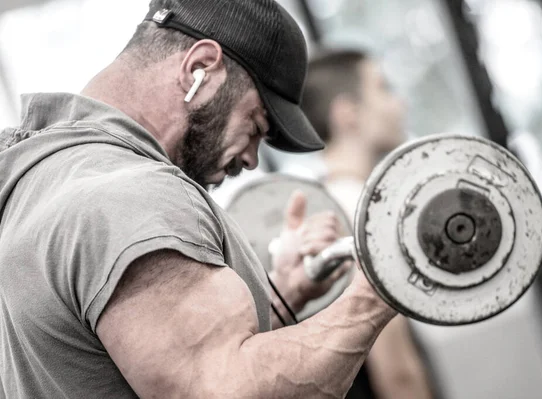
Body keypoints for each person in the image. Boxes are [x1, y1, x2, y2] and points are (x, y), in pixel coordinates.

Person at [0, 1, 398, 398]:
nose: (252, 158)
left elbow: (139, 360)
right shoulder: (133, 197)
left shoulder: (35, 175)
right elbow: (231, 391)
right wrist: (382, 286)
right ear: (200, 69)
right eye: (255, 126)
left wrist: (282, 295)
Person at [302, 49, 433, 399]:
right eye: (383, 88)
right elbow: (397, 373)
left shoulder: (329, 207)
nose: (398, 103)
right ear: (348, 113)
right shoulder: (361, 214)